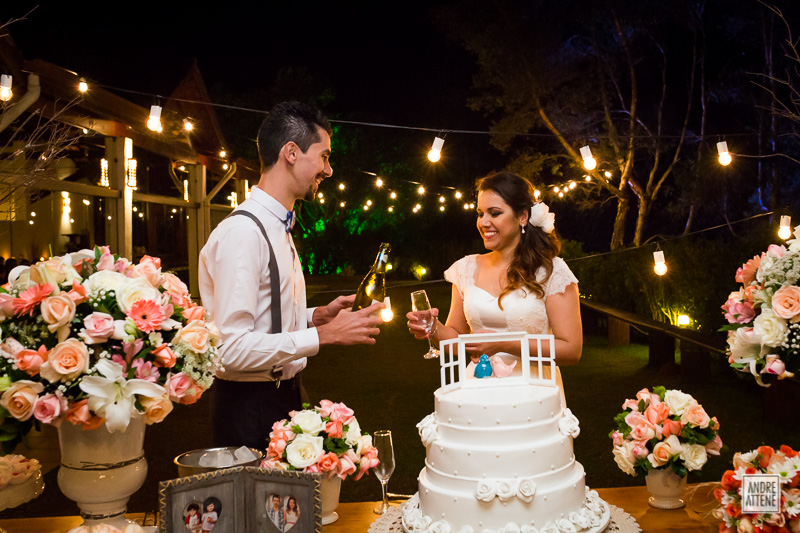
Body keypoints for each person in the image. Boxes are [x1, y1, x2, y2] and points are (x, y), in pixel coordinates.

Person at [199, 101, 384, 450]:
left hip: (284, 395)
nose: (328, 170)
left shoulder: (278, 226)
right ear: (291, 153)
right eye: (324, 157)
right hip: (248, 407)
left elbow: (264, 316)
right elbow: (229, 349)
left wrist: (315, 316)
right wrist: (323, 335)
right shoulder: (244, 232)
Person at [406, 172, 582, 392]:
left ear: (522, 216)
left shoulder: (551, 271)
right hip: (479, 389)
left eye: (495, 213)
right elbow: (456, 339)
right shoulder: (465, 269)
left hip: (534, 392)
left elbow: (571, 350)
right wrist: (433, 328)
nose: (483, 222)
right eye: (480, 214)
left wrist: (503, 344)